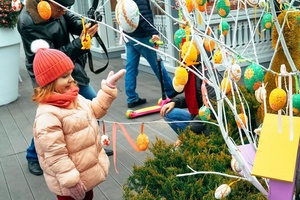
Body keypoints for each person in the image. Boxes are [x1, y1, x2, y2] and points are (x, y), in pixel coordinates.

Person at [17, 0, 113, 176]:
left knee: (91, 106)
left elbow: (73, 23)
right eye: (61, 8)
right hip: (48, 76)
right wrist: (81, 43)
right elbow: (52, 57)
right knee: (52, 120)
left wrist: (87, 24)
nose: (64, 11)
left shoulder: (57, 7)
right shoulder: (28, 21)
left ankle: (91, 145)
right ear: (44, 5)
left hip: (70, 69)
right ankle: (33, 155)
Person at [30, 39, 126, 200]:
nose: (70, 79)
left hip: (84, 175)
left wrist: (107, 89)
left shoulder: (74, 97)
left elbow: (94, 110)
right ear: (49, 82)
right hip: (70, 184)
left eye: (70, 73)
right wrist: (71, 181)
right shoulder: (47, 115)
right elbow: (55, 155)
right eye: (64, 76)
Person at [123, 0, 178, 108]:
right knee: (157, 65)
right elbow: (143, 15)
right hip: (142, 36)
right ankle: (171, 91)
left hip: (129, 36)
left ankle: (131, 98)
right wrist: (153, 32)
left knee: (131, 68)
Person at [160, 64, 221, 137]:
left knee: (190, 133)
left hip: (210, 124)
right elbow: (193, 96)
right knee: (168, 113)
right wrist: (175, 102)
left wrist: (188, 132)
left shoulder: (205, 73)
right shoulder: (192, 70)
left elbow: (212, 110)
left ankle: (195, 141)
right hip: (198, 116)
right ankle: (191, 139)